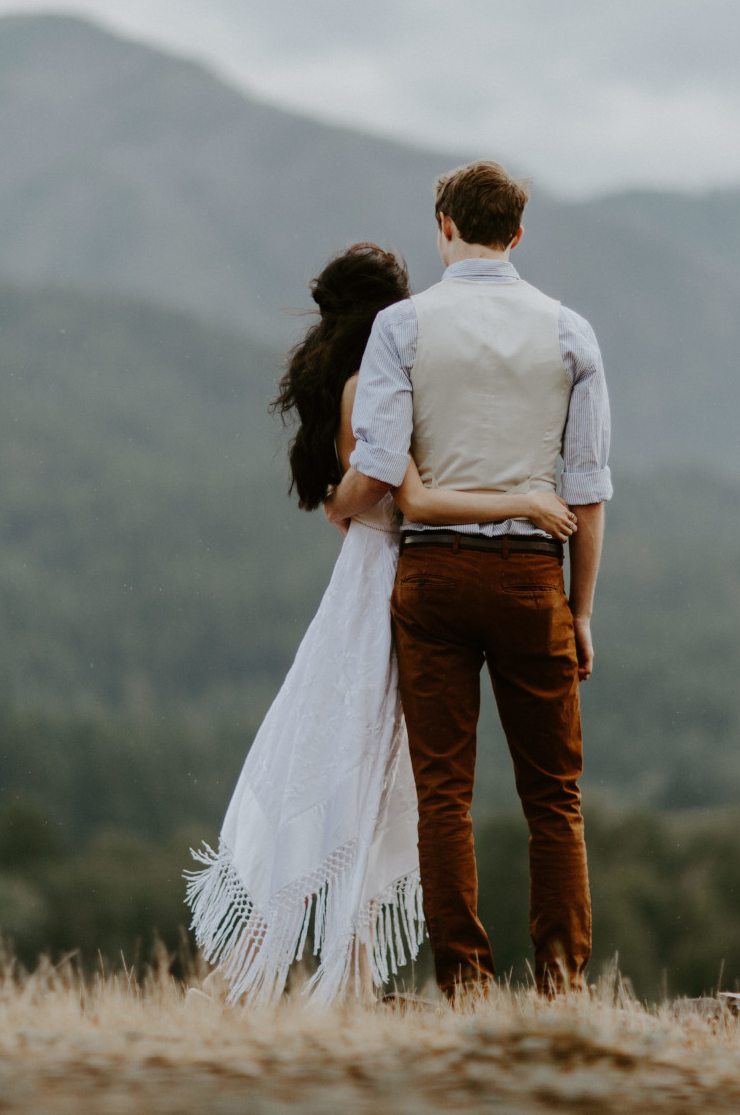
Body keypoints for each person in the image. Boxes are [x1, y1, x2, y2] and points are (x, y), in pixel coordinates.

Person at [186, 242, 578, 1004]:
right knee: (361, 763)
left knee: (374, 770)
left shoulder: (362, 378)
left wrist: (343, 502)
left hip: (377, 571)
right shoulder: (375, 383)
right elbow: (405, 498)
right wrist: (524, 501)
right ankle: (308, 967)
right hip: (388, 581)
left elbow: (352, 494)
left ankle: (349, 970)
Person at [326, 161, 612, 997]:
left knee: (443, 792)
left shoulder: (405, 329)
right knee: (553, 795)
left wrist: (335, 504)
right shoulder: (570, 333)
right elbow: (588, 491)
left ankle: (466, 983)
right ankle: (561, 980)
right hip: (532, 575)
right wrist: (581, 609)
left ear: (443, 224)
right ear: (518, 234)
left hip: (435, 576)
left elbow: (377, 469)